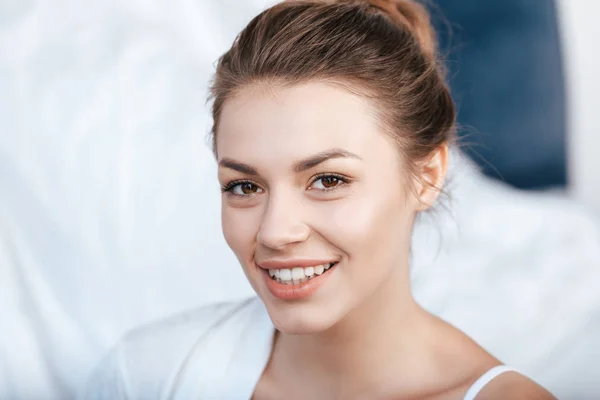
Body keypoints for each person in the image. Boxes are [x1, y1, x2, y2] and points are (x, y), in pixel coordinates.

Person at [80, 0, 556, 398]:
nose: (274, 232)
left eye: (327, 180)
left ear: (426, 176)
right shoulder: (149, 376)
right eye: (245, 186)